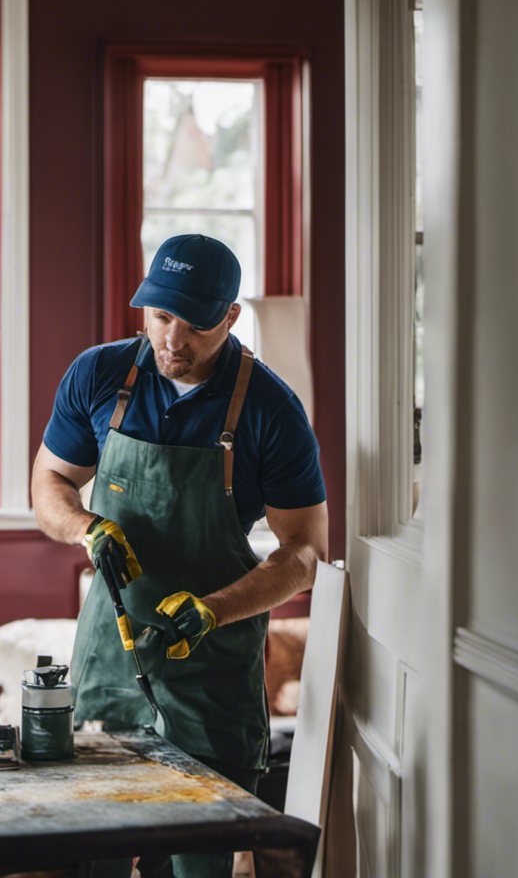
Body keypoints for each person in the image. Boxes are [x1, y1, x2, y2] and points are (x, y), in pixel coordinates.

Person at [31, 234, 327, 878]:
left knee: (197, 860)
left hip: (210, 671)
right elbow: (49, 482)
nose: (173, 338)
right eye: (161, 316)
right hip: (110, 655)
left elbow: (304, 552)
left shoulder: (271, 410)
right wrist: (85, 527)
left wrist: (215, 610)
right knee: (91, 850)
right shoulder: (100, 375)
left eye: (194, 323)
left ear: (230, 316)